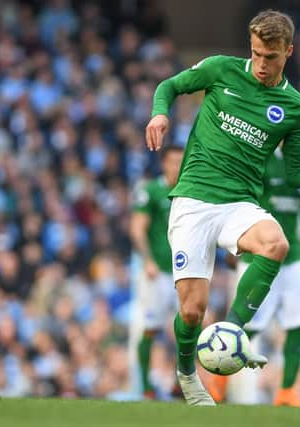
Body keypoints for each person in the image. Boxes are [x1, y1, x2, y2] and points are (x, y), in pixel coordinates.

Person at [145, 10, 300, 406]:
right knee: (192, 311)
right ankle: (188, 375)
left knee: (277, 243)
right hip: (192, 200)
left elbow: (297, 173)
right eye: (256, 53)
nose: (261, 64)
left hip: (239, 203)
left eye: (270, 57)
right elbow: (170, 86)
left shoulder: (295, 109)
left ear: (288, 52)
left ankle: (233, 332)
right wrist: (159, 112)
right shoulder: (221, 70)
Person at [209, 148, 300, 406]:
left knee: (298, 323)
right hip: (258, 257)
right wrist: (233, 241)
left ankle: (287, 391)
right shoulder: (259, 162)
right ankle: (219, 382)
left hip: (293, 260)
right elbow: (237, 203)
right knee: (248, 325)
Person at [129, 145, 184, 399]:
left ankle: (179, 382)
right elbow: (138, 228)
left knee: (188, 328)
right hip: (158, 272)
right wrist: (147, 260)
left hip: (185, 273)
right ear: (163, 163)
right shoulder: (151, 191)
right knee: (151, 328)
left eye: (180, 162)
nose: (176, 166)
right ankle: (146, 387)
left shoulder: (191, 193)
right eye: (172, 161)